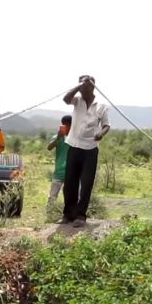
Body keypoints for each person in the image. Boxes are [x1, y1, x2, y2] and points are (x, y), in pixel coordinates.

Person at [61, 75, 110, 228]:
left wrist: (100, 134)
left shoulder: (101, 105)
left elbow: (106, 125)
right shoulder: (76, 100)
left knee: (87, 182)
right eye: (80, 86)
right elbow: (65, 98)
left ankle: (81, 215)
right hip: (74, 146)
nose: (82, 89)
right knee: (70, 182)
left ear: (92, 87)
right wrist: (79, 85)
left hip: (90, 149)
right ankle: (68, 214)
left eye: (85, 86)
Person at [46, 115, 72, 210]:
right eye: (65, 125)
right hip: (59, 171)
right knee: (53, 195)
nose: (67, 127)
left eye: (68, 125)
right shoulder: (57, 137)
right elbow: (49, 148)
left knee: (70, 195)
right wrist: (58, 137)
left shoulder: (75, 138)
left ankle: (68, 213)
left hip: (72, 172)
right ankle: (50, 212)